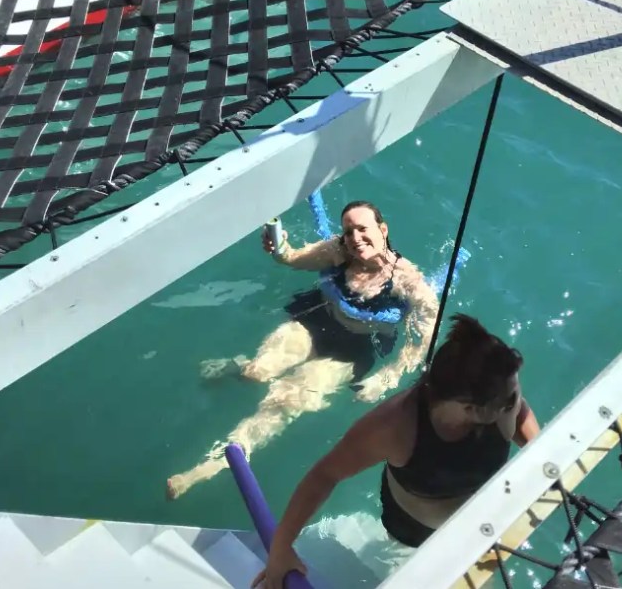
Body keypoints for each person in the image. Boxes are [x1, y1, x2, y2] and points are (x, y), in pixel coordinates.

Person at [166, 201, 441, 500]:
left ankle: (215, 463)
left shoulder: (406, 280)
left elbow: (424, 336)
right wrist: (278, 248)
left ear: (383, 229)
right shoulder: (337, 253)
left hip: (352, 350)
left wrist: (388, 378)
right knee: (258, 373)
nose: (355, 238)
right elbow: (292, 258)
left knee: (286, 400)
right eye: (349, 231)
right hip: (315, 321)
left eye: (363, 229)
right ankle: (240, 366)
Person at [251, 314, 540, 589]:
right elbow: (324, 474)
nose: (516, 401)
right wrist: (280, 549)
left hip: (481, 521)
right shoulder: (394, 427)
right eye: (510, 399)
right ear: (470, 408)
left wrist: (540, 452)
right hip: (413, 528)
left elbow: (520, 415)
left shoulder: (502, 394)